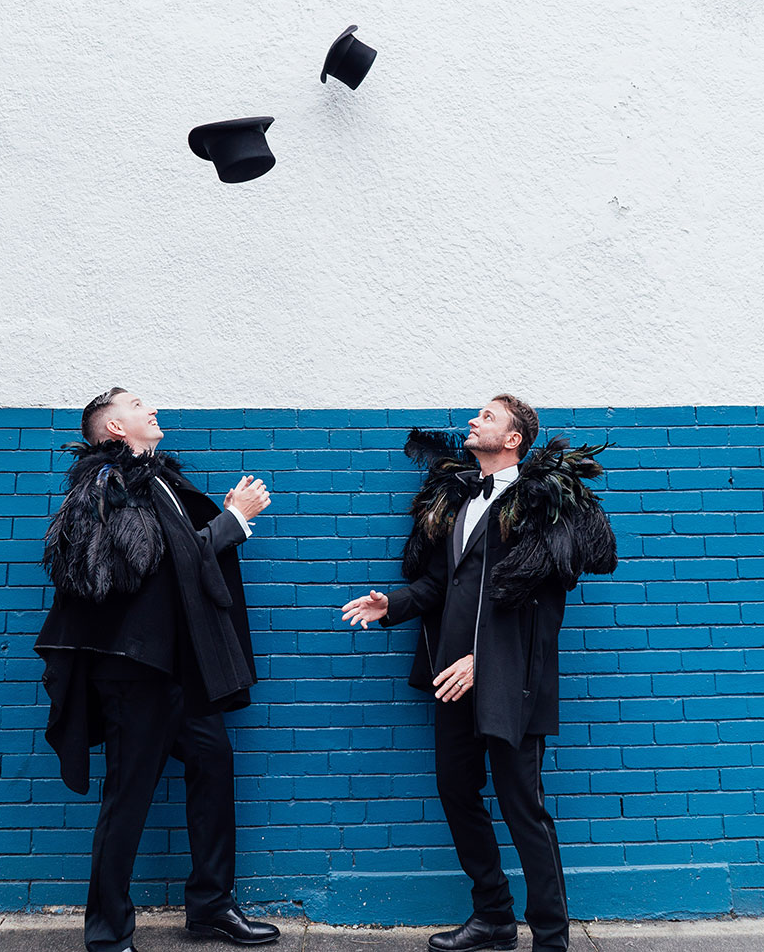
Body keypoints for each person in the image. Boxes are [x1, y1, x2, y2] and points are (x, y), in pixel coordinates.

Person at [342, 395, 617, 952]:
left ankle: (551, 938)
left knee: (523, 808)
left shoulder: (543, 504)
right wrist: (391, 604)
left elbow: (539, 604)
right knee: (455, 792)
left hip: (510, 682)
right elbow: (443, 586)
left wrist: (482, 660)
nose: (473, 421)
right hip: (452, 681)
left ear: (514, 439)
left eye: (487, 417)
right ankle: (492, 916)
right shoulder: (464, 501)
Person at [35, 388, 280, 952]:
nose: (152, 409)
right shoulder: (104, 486)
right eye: (138, 404)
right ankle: (108, 935)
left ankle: (211, 908)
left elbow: (173, 557)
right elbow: (145, 566)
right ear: (116, 429)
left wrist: (222, 521)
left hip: (179, 669)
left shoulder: (160, 480)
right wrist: (232, 522)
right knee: (128, 796)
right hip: (136, 671)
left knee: (214, 768)